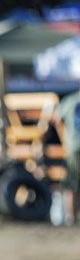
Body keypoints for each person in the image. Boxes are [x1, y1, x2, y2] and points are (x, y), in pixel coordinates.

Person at [50, 89, 80, 225]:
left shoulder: (70, 100)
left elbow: (55, 118)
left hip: (74, 146)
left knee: (72, 183)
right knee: (72, 182)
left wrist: (64, 137)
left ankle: (70, 217)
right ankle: (71, 217)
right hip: (74, 146)